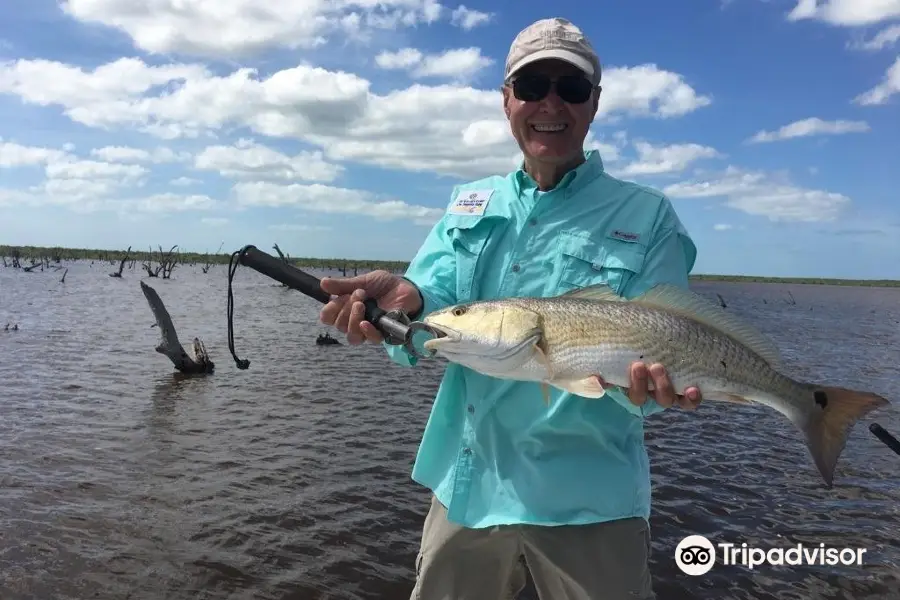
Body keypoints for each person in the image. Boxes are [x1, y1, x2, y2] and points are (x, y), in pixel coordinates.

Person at [319, 17, 702, 600]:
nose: (550, 102)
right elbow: (429, 315)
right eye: (531, 86)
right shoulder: (469, 203)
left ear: (594, 104)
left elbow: (668, 343)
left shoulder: (647, 216)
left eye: (570, 88)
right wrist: (407, 305)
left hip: (589, 500)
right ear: (506, 101)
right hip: (468, 487)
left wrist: (654, 392)